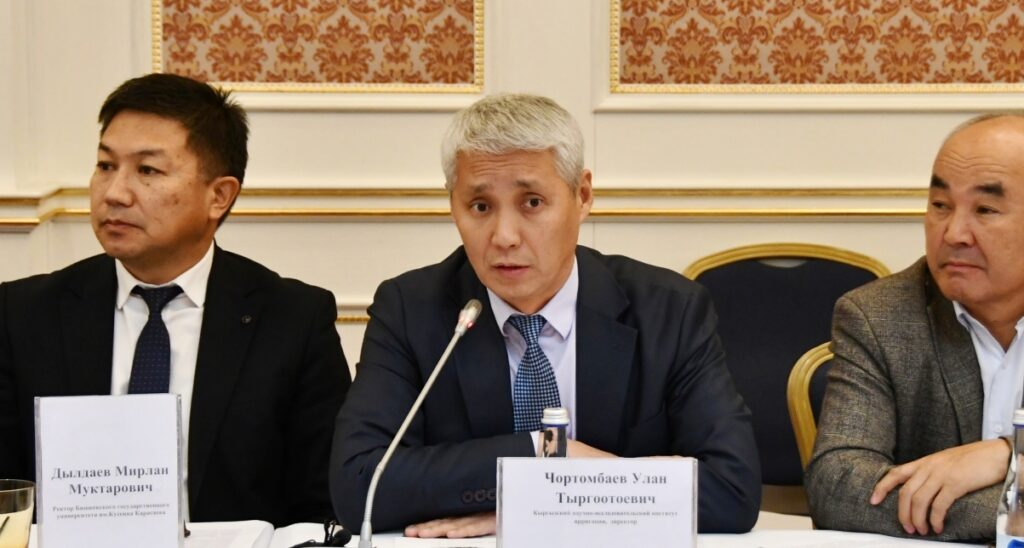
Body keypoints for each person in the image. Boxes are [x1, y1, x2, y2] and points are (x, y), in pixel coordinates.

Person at [330, 93, 760, 537]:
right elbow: (359, 486)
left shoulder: (669, 310)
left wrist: (539, 506)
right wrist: (545, 451)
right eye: (480, 207)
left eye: (532, 202)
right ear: (452, 204)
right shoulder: (410, 309)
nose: (505, 237)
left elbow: (732, 492)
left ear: (582, 196)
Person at [0, 73, 351, 527]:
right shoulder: (23, 315)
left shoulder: (293, 321)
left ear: (219, 196)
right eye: (105, 165)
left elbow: (324, 506)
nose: (114, 193)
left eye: (147, 171)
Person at [806, 113, 1024, 541]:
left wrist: (1006, 455)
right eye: (940, 206)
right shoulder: (880, 316)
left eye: (985, 209)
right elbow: (839, 485)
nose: (954, 233)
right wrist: (1011, 515)